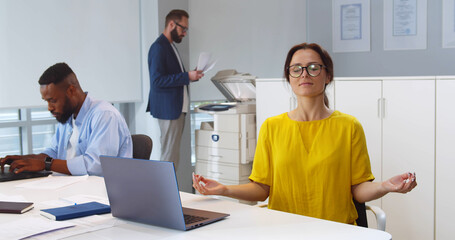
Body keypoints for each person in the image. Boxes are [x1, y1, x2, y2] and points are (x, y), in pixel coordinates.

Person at [193, 43, 417, 224]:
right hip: (285, 229)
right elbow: (261, 189)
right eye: (296, 69)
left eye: (313, 67)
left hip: (336, 231)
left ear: (327, 76)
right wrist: (223, 189)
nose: (304, 74)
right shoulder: (272, 127)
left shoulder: (349, 126)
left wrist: (386, 186)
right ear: (289, 78)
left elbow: (358, 190)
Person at [0, 63, 132, 176]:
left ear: (71, 90)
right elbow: (53, 152)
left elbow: (96, 166)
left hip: (100, 194)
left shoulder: (104, 115)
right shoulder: (67, 117)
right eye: (46, 101)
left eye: (53, 100)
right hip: (74, 190)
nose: (49, 108)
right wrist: (26, 159)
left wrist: (46, 164)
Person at [146, 9, 203, 170]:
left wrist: (190, 76)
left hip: (176, 109)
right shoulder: (159, 47)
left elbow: (172, 76)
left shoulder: (170, 47)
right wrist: (186, 76)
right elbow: (157, 80)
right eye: (183, 28)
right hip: (168, 109)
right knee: (169, 156)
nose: (184, 33)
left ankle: (167, 191)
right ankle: (164, 193)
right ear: (171, 24)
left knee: (172, 156)